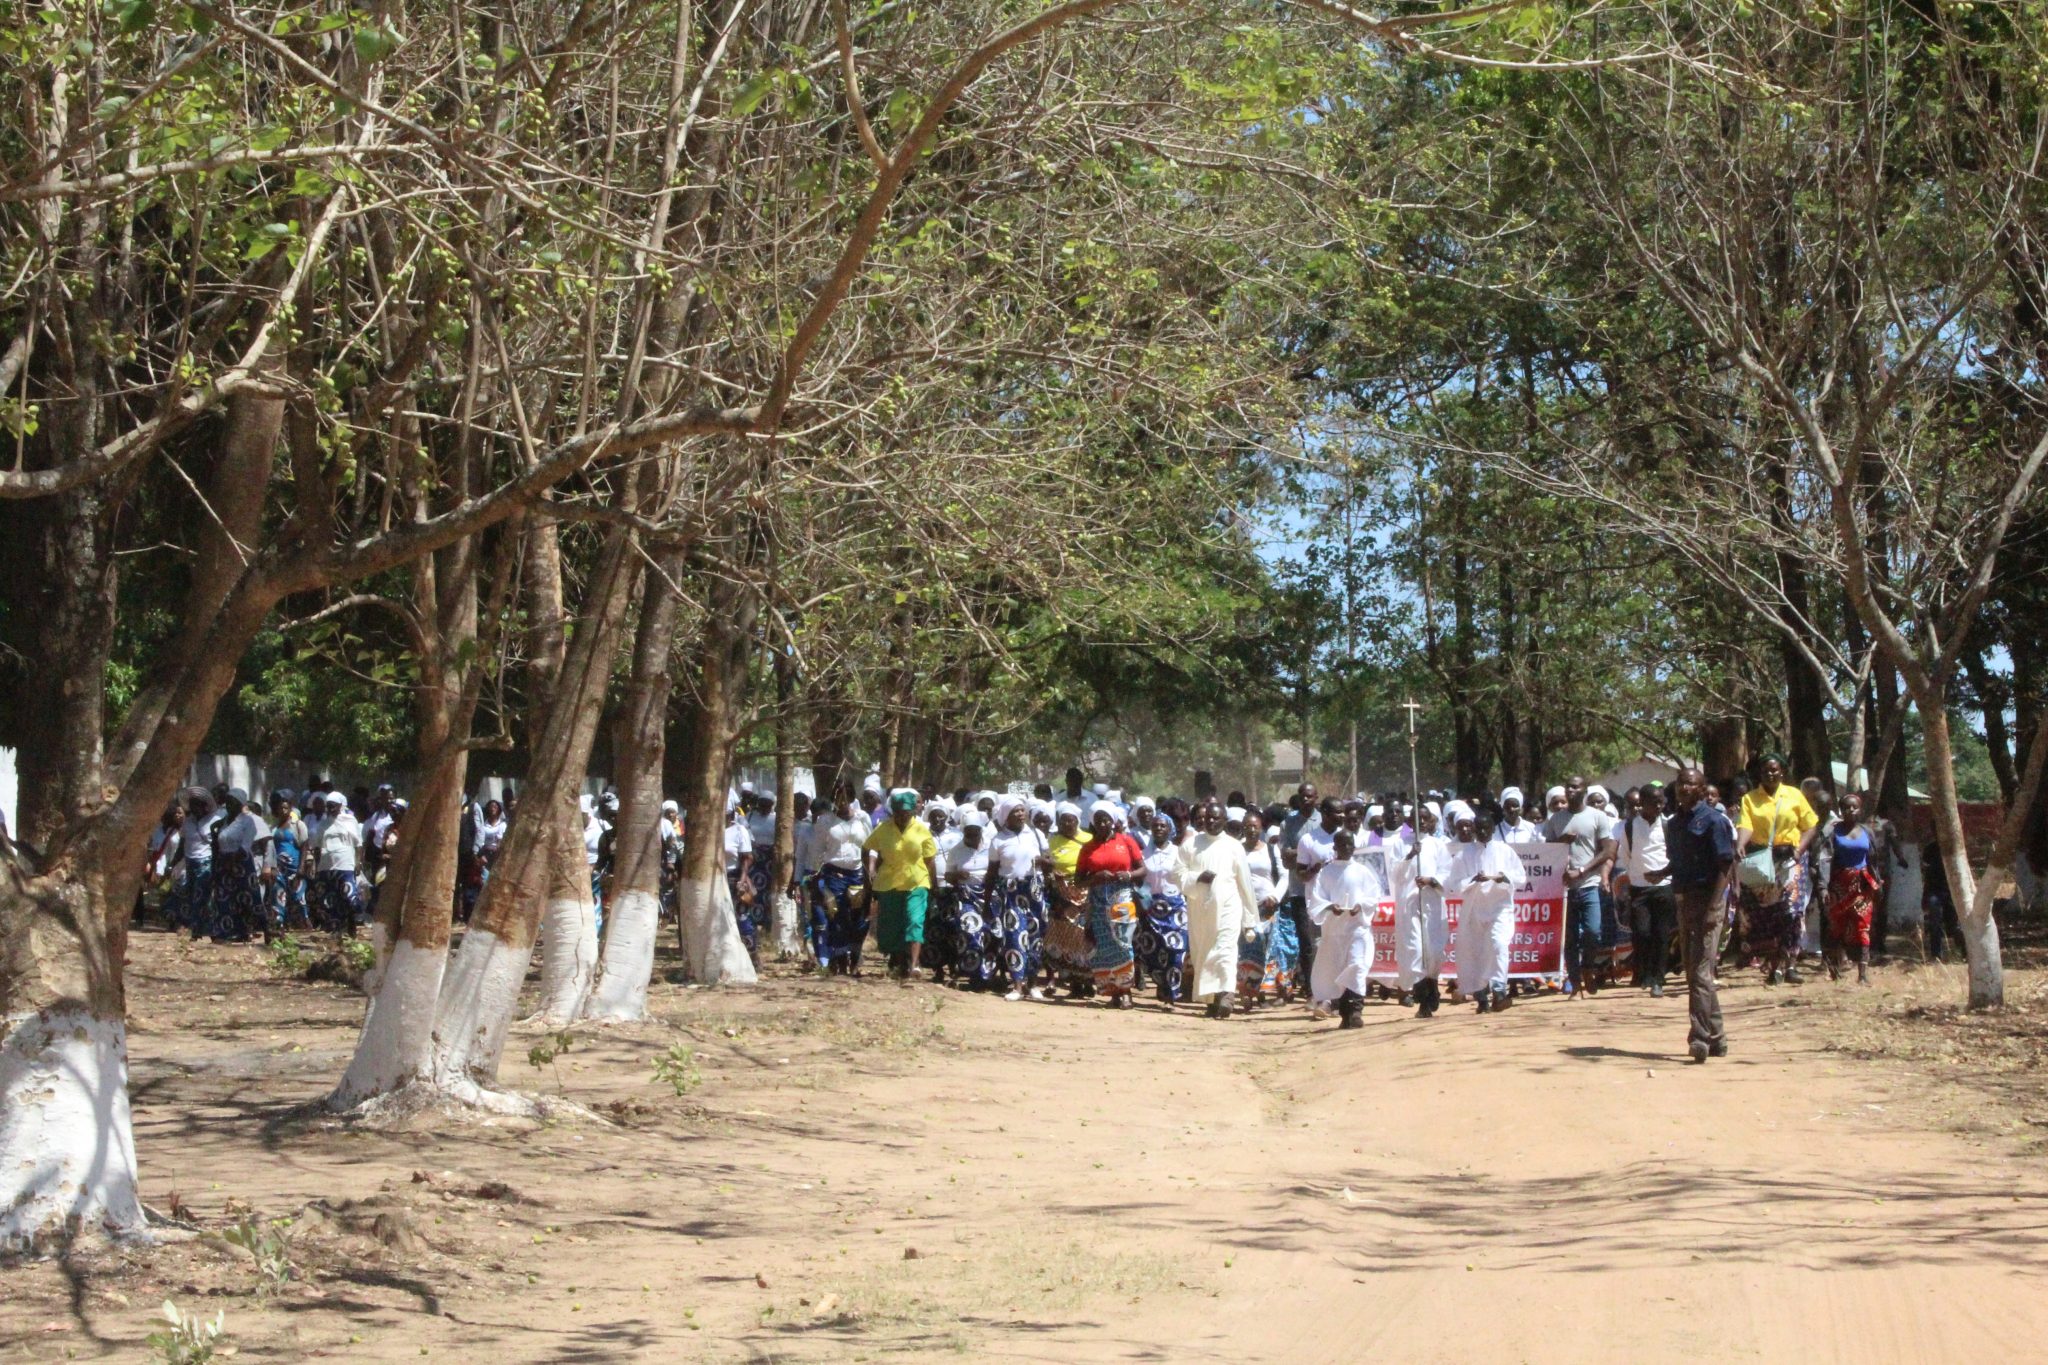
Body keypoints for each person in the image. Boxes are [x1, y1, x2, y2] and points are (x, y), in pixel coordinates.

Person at [1667, 767, 1736, 1062]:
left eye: (1691, 784)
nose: (1685, 788)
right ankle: (1718, 1037)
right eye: (1681, 783)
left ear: (1701, 788)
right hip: (1685, 900)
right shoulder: (1674, 824)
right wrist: (1661, 872)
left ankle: (1699, 1038)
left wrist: (1713, 907)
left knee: (1700, 972)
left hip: (1710, 901)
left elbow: (1725, 866)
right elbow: (1679, 861)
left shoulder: (1714, 821)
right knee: (1694, 969)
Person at [1735, 755, 1821, 985]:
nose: (1771, 774)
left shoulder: (1794, 795)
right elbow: (1746, 825)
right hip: (1765, 864)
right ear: (1759, 774)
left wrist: (1800, 849)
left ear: (1782, 771)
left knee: (1791, 913)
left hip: (1792, 862)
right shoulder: (1750, 799)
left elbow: (1811, 825)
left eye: (1775, 770)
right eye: (1766, 770)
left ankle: (1791, 965)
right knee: (1770, 916)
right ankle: (1775, 968)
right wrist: (1740, 844)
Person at [1181, 800, 1256, 1019]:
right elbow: (1177, 874)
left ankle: (1227, 995)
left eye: (1216, 818)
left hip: (1229, 908)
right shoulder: (1191, 845)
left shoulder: (1234, 846)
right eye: (1208, 818)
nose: (1211, 821)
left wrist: (1249, 920)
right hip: (1200, 911)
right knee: (1204, 954)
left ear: (1224, 821)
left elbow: (1245, 884)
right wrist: (1197, 878)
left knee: (1225, 950)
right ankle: (1212, 1000)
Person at [1544, 776, 1616, 997]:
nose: (1570, 790)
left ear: (1584, 790)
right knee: (1570, 938)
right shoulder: (1556, 819)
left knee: (1593, 932)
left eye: (1575, 787)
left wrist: (1583, 870)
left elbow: (1607, 851)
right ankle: (1575, 982)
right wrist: (1562, 841)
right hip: (1565, 888)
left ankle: (1588, 968)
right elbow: (1547, 852)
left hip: (1589, 883)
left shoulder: (1597, 817)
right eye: (1568, 786)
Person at [1448, 809, 1523, 1013]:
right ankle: (1481, 997)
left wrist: (1503, 877)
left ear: (1492, 829)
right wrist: (1473, 880)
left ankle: (1499, 990)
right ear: (1473, 830)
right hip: (1474, 911)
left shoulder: (1504, 851)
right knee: (1477, 953)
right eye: (1478, 828)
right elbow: (1452, 885)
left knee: (1499, 945)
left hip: (1500, 908)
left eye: (1486, 828)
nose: (1482, 832)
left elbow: (1520, 877)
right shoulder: (1464, 854)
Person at [1074, 801, 1147, 1007]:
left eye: (1106, 819)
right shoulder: (1088, 848)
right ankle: (1112, 991)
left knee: (1123, 941)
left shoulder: (1126, 841)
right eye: (1098, 820)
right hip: (1098, 901)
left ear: (1113, 820)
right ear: (1093, 822)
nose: (1103, 823)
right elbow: (1078, 880)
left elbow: (1143, 869)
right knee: (1104, 946)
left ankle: (1126, 990)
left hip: (1122, 896)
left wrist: (1129, 874)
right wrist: (1096, 877)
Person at [863, 789, 940, 981]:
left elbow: (930, 859)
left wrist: (933, 883)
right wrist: (869, 871)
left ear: (912, 812)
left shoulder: (921, 829)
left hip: (917, 882)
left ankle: (914, 965)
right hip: (889, 883)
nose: (902, 816)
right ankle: (899, 961)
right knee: (892, 927)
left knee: (915, 921)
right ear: (893, 811)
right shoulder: (883, 829)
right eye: (898, 812)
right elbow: (867, 848)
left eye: (906, 812)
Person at [1306, 829, 1378, 1028]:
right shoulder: (1326, 872)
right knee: (1338, 969)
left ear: (1354, 847)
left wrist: (1360, 906)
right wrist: (1330, 906)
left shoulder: (1362, 871)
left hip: (1357, 928)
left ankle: (1355, 1010)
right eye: (1342, 845)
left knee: (1357, 965)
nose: (1346, 848)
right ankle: (1344, 1012)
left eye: (1349, 844)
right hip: (1334, 931)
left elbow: (1373, 895)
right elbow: (1316, 899)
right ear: (1335, 848)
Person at [986, 797, 1050, 1001]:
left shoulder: (1036, 835)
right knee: (1014, 936)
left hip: (1034, 890)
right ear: (1006, 816)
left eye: (1022, 810)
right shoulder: (998, 840)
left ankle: (1033, 985)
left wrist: (1043, 862)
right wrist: (987, 902)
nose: (1021, 814)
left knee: (1036, 937)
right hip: (1012, 892)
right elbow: (992, 873)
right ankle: (1017, 986)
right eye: (1016, 811)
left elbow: (1049, 861)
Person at [1394, 802, 1451, 1018]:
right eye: (1418, 819)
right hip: (1410, 906)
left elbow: (1447, 873)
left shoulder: (1438, 845)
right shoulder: (1401, 845)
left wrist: (1432, 881)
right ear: (1411, 822)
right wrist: (1409, 856)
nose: (1423, 823)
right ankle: (1422, 996)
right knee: (1415, 950)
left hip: (1432, 903)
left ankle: (1432, 983)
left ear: (1432, 821)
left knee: (1434, 950)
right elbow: (1393, 874)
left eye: (1426, 819)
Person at [1621, 782, 1677, 996]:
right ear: (1642, 804)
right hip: (1639, 887)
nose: (1660, 806)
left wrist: (1662, 874)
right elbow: (1626, 855)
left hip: (1663, 887)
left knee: (1661, 934)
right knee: (1642, 933)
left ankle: (1658, 978)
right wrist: (1638, 873)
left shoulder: (1668, 825)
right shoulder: (1629, 827)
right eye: (1654, 802)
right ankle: (1644, 972)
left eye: (1662, 802)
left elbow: (1672, 854)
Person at [813, 786, 872, 975]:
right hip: (834, 873)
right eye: (838, 797)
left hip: (857, 873)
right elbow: (817, 850)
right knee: (836, 915)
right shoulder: (825, 822)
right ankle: (839, 959)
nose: (842, 802)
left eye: (846, 797)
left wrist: (871, 871)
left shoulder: (862, 818)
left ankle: (855, 955)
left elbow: (870, 846)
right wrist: (815, 875)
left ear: (852, 797)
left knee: (858, 917)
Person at [1134, 812, 1190, 1004]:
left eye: (1162, 826)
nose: (1158, 828)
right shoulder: (1143, 853)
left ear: (1169, 829)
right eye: (1155, 825)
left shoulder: (1178, 852)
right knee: (1154, 952)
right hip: (1151, 909)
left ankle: (1172, 994)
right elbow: (1138, 881)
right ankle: (1162, 985)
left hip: (1175, 908)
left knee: (1176, 951)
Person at [1824, 791, 1880, 983]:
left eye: (1854, 807)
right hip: (1839, 885)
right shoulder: (1833, 832)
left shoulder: (1867, 832)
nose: (1850, 810)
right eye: (1846, 807)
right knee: (1837, 927)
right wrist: (1824, 887)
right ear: (1841, 810)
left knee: (1862, 927)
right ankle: (1834, 969)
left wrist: (1877, 881)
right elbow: (1825, 860)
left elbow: (1873, 859)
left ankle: (1862, 975)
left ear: (1860, 809)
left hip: (1863, 886)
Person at [1043, 802, 1096, 995]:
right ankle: (1073, 982)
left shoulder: (1089, 839)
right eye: (1063, 820)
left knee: (1084, 936)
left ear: (1077, 821)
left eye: (1070, 820)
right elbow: (1046, 862)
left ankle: (1088, 981)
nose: (1067, 824)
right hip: (1061, 895)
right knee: (1065, 937)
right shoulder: (1052, 840)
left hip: (1085, 892)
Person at [207, 788, 267, 943]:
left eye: (231, 802)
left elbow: (245, 845)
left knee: (250, 898)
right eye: (227, 802)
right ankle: (224, 932)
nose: (227, 805)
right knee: (224, 898)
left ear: (240, 803)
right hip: (223, 863)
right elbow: (217, 842)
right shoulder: (224, 822)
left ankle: (267, 928)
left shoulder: (248, 821)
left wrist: (231, 862)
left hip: (241, 864)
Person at [944, 815, 997, 989]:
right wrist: (958, 876)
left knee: (992, 932)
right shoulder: (956, 850)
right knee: (971, 930)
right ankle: (973, 973)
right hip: (966, 895)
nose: (972, 836)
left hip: (990, 894)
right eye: (969, 833)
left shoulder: (991, 846)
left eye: (976, 833)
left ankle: (986, 974)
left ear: (981, 831)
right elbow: (948, 876)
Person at [313, 793, 363, 932]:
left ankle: (351, 919)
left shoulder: (350, 820)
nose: (330, 809)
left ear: (341, 806)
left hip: (345, 863)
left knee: (348, 895)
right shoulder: (323, 823)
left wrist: (358, 862)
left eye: (333, 806)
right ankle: (336, 929)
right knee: (330, 898)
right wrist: (317, 866)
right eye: (328, 806)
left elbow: (358, 844)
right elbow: (317, 846)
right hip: (326, 866)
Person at [263, 790, 309, 934]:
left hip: (295, 868)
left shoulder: (298, 825)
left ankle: (304, 923)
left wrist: (301, 867)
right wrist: (271, 866)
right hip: (279, 869)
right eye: (281, 808)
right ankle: (279, 924)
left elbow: (304, 847)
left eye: (286, 808)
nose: (283, 811)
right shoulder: (274, 828)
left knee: (298, 897)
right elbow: (271, 848)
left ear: (290, 808)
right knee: (279, 895)